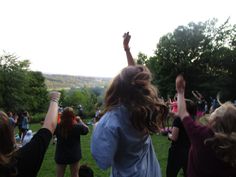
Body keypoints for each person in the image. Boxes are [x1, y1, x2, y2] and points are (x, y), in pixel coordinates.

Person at [91, 32, 168, 177]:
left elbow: (103, 161)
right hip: (151, 172)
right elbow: (135, 80)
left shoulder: (110, 122)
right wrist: (127, 49)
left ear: (116, 89)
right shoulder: (146, 110)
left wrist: (97, 128)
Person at [176, 75, 236, 177]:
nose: (213, 110)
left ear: (214, 120)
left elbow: (183, 113)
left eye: (216, 111)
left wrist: (180, 92)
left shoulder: (201, 134)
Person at [0, 91, 61, 177]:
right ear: (8, 134)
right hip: (25, 128)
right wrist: (54, 99)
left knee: (24, 135)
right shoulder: (20, 161)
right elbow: (48, 127)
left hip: (23, 128)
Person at [54, 107, 89, 177]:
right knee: (75, 175)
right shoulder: (77, 127)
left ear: (62, 116)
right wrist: (80, 121)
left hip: (61, 155)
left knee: (59, 175)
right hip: (74, 155)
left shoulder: (58, 127)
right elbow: (87, 129)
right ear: (73, 116)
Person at [166, 99, 196, 177]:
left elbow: (174, 138)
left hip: (177, 151)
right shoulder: (193, 120)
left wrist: (169, 135)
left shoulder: (178, 120)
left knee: (171, 174)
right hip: (189, 151)